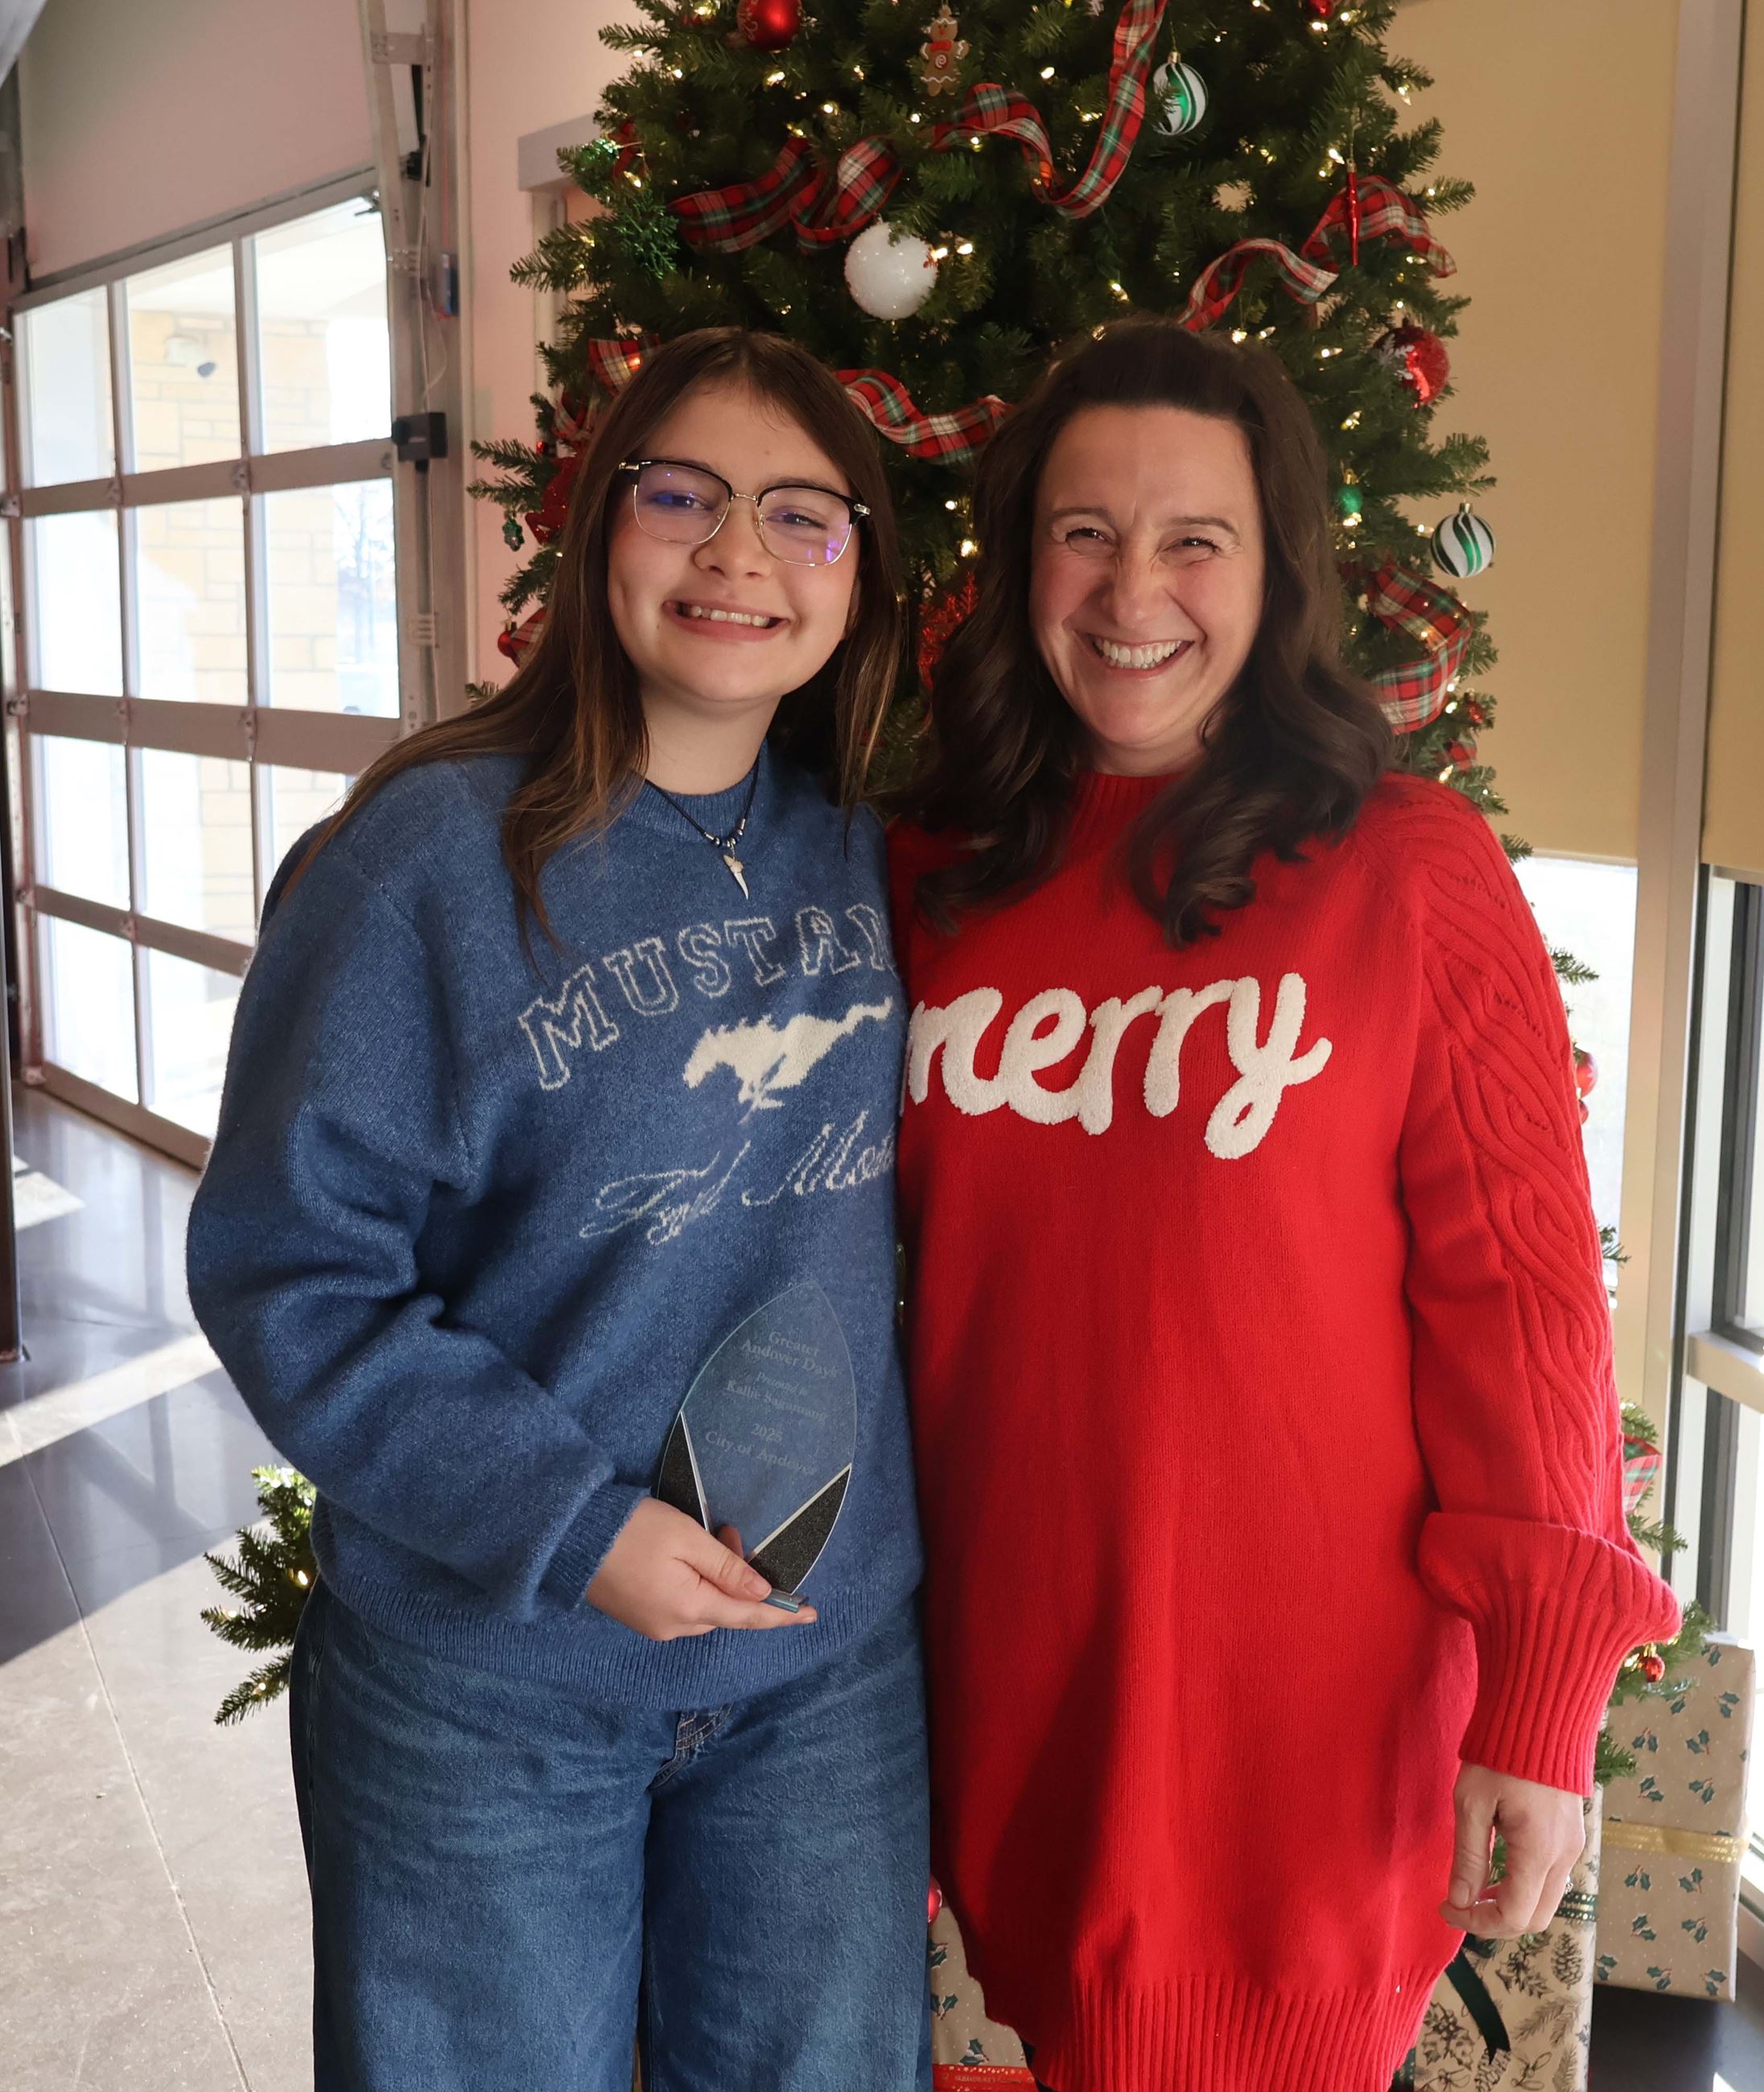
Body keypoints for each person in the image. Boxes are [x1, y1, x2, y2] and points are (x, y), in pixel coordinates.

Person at [887, 317, 1680, 2092]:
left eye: (1195, 541)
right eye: (1083, 532)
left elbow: (1528, 1305)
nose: (1130, 590)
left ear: (1274, 572)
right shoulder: (927, 870)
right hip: (1023, 1708)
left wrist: (1541, 1708)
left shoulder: (1407, 871)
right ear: (1023, 561)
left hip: (1307, 1744)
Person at [187, 328, 930, 2092]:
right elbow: (290, 1269)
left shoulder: (884, 853)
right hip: (487, 1679)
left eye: (799, 515)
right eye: (683, 497)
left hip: (820, 1687)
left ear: (860, 574)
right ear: (602, 530)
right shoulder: (424, 865)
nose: (735, 554)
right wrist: (569, 1523)